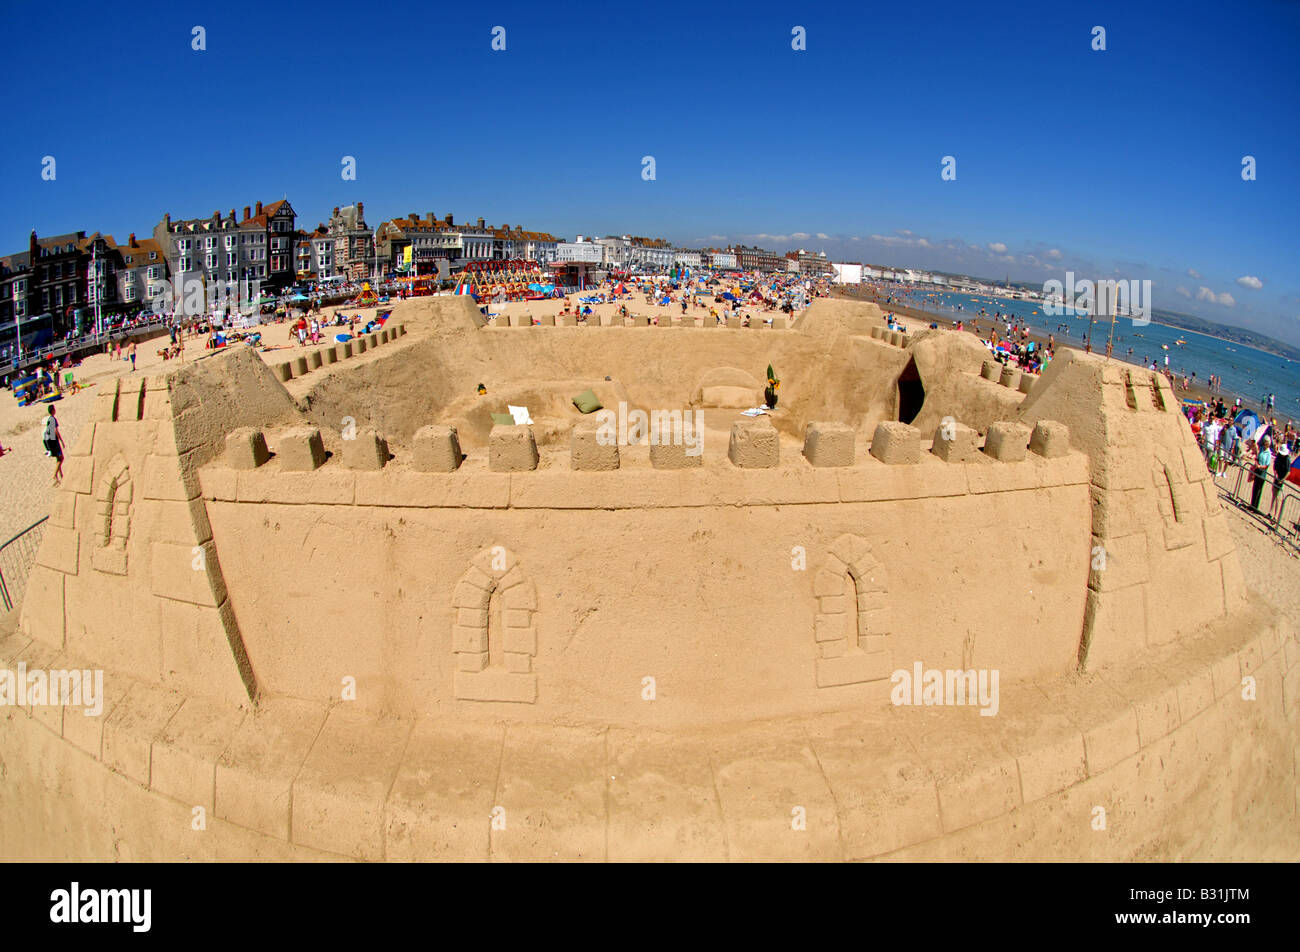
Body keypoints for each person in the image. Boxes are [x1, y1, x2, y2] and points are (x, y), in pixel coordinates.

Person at [1270, 434, 1292, 521]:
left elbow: (1288, 472)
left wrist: (1282, 480)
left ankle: (1275, 515)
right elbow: (1275, 465)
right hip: (1277, 476)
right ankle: (1271, 512)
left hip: (1281, 479)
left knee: (1278, 497)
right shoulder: (1279, 456)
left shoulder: (1287, 459)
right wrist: (1275, 474)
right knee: (1273, 494)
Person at [43, 405, 65, 485]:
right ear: (52, 410)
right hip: (54, 441)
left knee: (58, 459)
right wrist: (61, 441)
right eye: (54, 409)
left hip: (49, 441)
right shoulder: (53, 419)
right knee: (61, 458)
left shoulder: (49, 419)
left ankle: (61, 475)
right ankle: (54, 475)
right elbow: (55, 430)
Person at [1250, 436, 1273, 512]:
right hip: (1257, 470)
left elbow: (1267, 465)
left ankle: (1255, 507)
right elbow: (1258, 457)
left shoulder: (1268, 453)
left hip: (1262, 472)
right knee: (1255, 488)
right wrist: (1256, 463)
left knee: (1259, 490)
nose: (1265, 443)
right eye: (1265, 441)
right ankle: (1252, 505)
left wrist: (1260, 466)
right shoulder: (1262, 449)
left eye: (1267, 442)